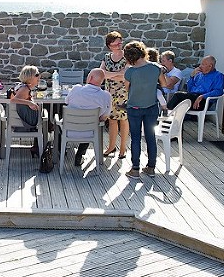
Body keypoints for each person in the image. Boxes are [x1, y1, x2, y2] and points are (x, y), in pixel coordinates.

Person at [123, 41, 169, 179]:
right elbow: (164, 84)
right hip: (151, 107)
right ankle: (151, 167)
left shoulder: (130, 71)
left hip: (134, 107)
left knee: (135, 138)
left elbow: (127, 89)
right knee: (151, 137)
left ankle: (135, 169)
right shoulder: (156, 68)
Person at [63, 68, 111, 166]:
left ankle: (60, 151)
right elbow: (105, 116)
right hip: (90, 132)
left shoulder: (76, 89)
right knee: (92, 124)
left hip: (69, 130)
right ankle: (80, 154)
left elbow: (66, 102)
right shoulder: (106, 96)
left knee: (58, 121)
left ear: (90, 77)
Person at [99, 31, 129, 160]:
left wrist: (109, 74)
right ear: (109, 44)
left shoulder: (127, 57)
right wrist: (117, 74)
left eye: (120, 41)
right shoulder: (106, 57)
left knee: (123, 120)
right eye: (116, 41)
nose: (119, 43)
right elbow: (101, 74)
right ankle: (111, 147)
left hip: (123, 93)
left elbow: (126, 76)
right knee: (111, 120)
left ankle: (123, 148)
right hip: (109, 93)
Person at [10, 65, 42, 157]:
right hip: (24, 124)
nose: (39, 77)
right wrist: (29, 103)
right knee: (49, 120)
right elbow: (13, 100)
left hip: (24, 121)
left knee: (48, 120)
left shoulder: (24, 87)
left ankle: (37, 147)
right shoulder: (24, 89)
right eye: (36, 75)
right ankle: (43, 148)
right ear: (29, 77)